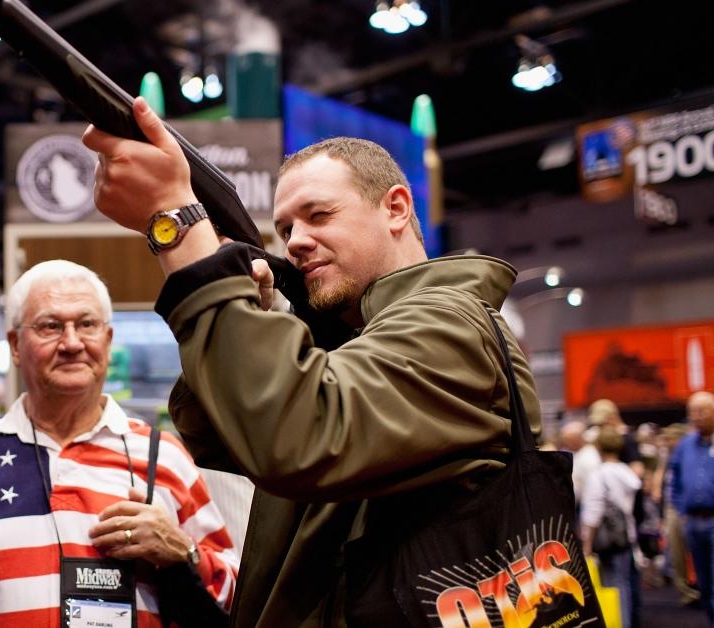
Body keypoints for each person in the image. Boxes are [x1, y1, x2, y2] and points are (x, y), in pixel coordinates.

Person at [82, 99, 541, 625]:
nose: (296, 241)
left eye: (319, 215)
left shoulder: (452, 325)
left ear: (396, 208)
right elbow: (217, 433)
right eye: (285, 228)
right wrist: (252, 312)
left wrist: (177, 221)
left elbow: (293, 439)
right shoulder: (350, 339)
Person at [0, 260, 238, 626]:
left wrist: (181, 551)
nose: (72, 343)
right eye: (51, 326)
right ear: (15, 345)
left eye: (87, 324)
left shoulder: (163, 456)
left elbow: (237, 591)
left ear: (107, 341)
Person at [581, 428, 642, 628]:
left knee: (611, 585)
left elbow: (593, 511)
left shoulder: (598, 475)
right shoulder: (626, 472)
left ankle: (619, 623)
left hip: (607, 540)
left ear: (598, 447)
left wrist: (587, 542)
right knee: (625, 583)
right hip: (626, 536)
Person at [668, 390, 714, 623]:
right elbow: (674, 479)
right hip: (693, 522)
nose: (696, 416)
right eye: (692, 412)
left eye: (701, 411)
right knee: (704, 583)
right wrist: (680, 510)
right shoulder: (685, 445)